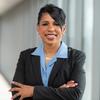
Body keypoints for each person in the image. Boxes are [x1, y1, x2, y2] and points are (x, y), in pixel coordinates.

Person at [9, 4, 86, 100]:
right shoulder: (25, 56)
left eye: (56, 24)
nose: (50, 29)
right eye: (45, 24)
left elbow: (75, 95)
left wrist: (32, 91)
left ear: (64, 29)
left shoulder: (76, 57)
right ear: (38, 28)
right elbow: (17, 93)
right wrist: (58, 91)